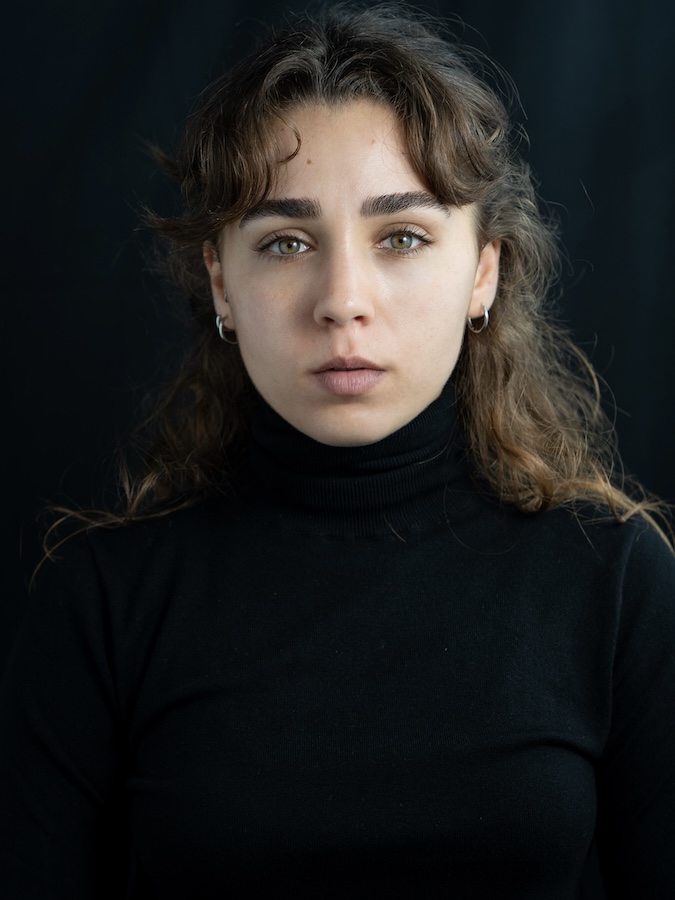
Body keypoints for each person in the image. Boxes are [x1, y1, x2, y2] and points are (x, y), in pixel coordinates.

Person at [1, 4, 674, 898]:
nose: (341, 300)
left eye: (402, 238)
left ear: (482, 272)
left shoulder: (613, 581)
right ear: (221, 282)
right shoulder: (105, 603)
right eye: (286, 242)